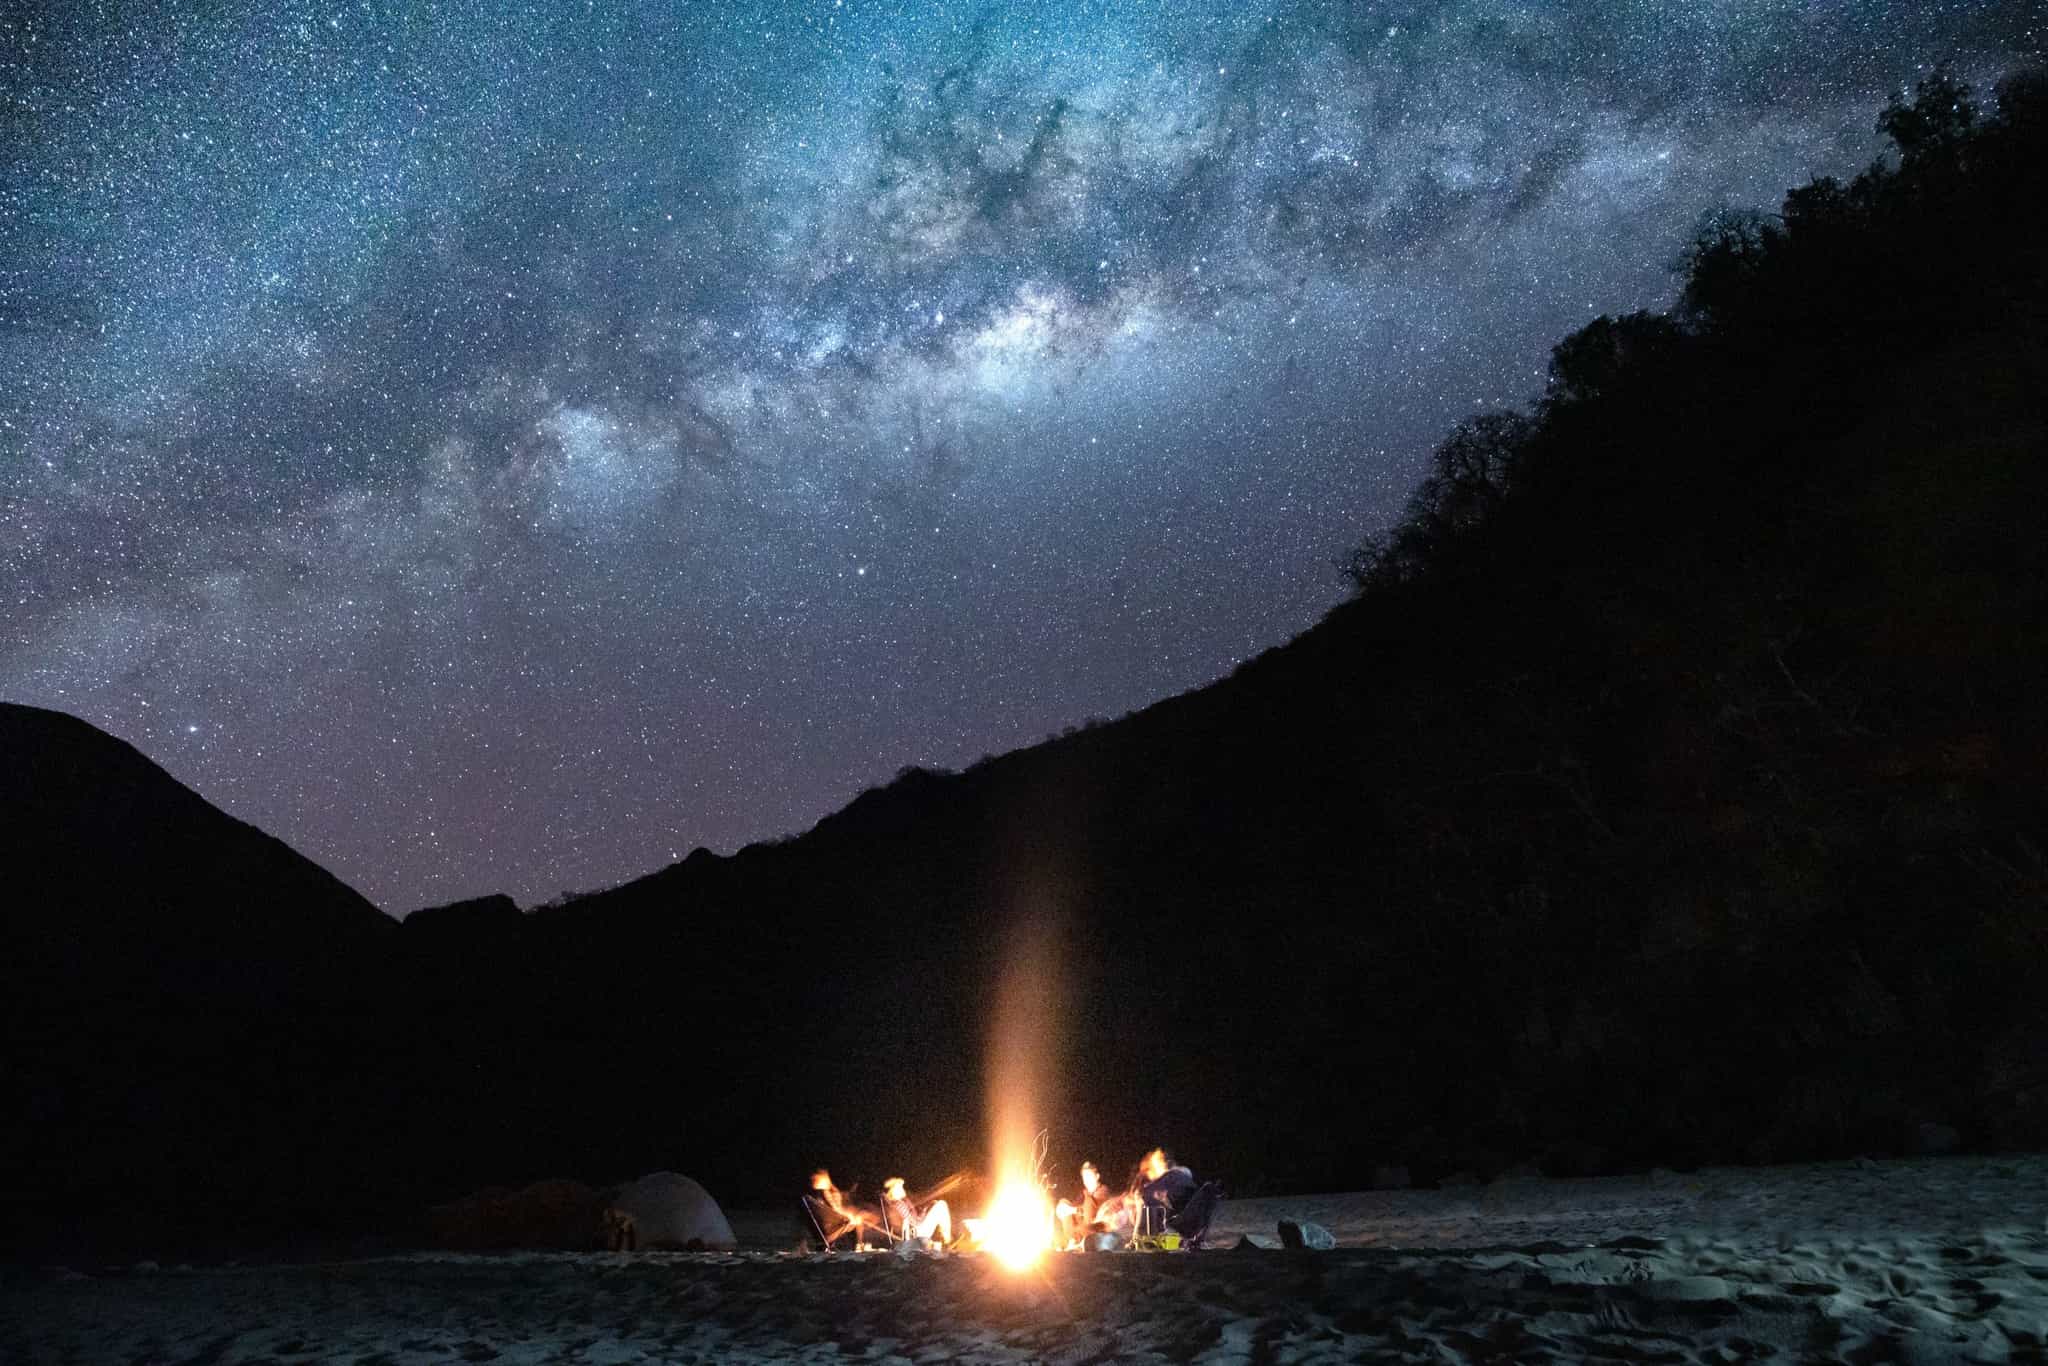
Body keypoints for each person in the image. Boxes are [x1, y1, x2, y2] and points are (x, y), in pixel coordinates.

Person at [806, 1168, 875, 1251]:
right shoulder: (824, 1194)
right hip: (829, 1231)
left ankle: (854, 1245)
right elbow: (834, 1212)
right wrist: (848, 1218)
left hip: (822, 1232)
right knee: (857, 1221)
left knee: (854, 1219)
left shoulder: (812, 1200)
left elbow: (830, 1212)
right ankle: (857, 1246)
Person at [1137, 1147, 1195, 1233]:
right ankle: (1148, 1230)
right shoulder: (1187, 1175)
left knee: (1146, 1199)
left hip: (1177, 1211)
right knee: (1158, 1200)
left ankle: (1145, 1232)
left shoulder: (1172, 1175)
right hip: (1186, 1209)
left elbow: (1148, 1192)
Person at [880, 1176, 951, 1246]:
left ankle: (945, 1238)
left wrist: (927, 1207)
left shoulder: (901, 1202)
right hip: (918, 1233)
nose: (902, 1189)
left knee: (938, 1205)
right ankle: (947, 1240)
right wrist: (926, 1211)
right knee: (941, 1205)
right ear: (894, 1191)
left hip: (917, 1231)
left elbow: (914, 1218)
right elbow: (914, 1222)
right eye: (900, 1187)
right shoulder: (899, 1205)